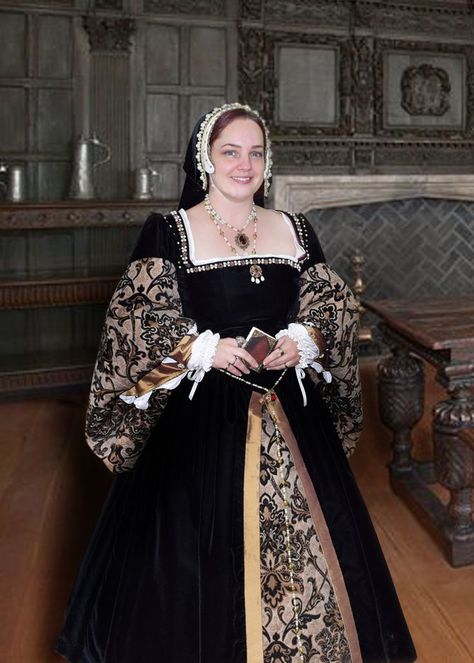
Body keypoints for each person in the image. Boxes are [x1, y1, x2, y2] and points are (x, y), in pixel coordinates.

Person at [56, 102, 417, 663]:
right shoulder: (171, 232)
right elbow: (135, 319)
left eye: (255, 152)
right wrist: (202, 348)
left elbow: (333, 303)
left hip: (291, 408)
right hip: (199, 421)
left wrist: (306, 338)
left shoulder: (294, 229)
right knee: (195, 570)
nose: (244, 165)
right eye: (231, 152)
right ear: (206, 158)